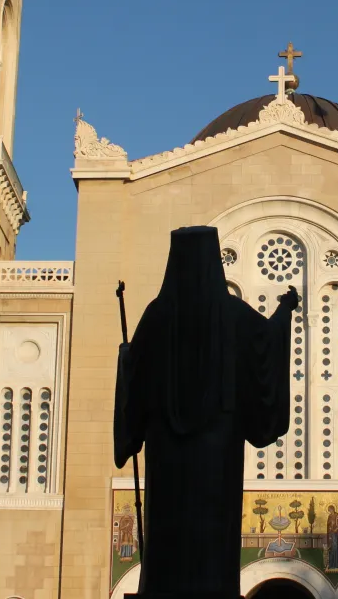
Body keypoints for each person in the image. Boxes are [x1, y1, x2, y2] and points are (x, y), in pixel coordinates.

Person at [115, 226, 296, 595]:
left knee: (169, 528)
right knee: (214, 530)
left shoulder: (157, 314)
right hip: (218, 449)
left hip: (166, 451)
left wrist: (125, 358)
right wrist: (285, 311)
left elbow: (136, 371)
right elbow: (266, 345)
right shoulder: (232, 313)